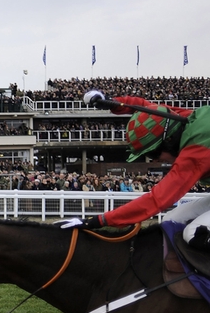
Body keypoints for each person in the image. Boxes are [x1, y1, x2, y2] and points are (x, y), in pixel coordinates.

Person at [59, 91, 210, 250]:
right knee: (171, 221)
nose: (155, 160)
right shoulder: (183, 120)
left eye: (153, 153)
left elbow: (156, 200)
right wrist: (111, 102)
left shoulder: (195, 152)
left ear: (170, 140)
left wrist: (99, 220)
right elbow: (144, 107)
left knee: (194, 233)